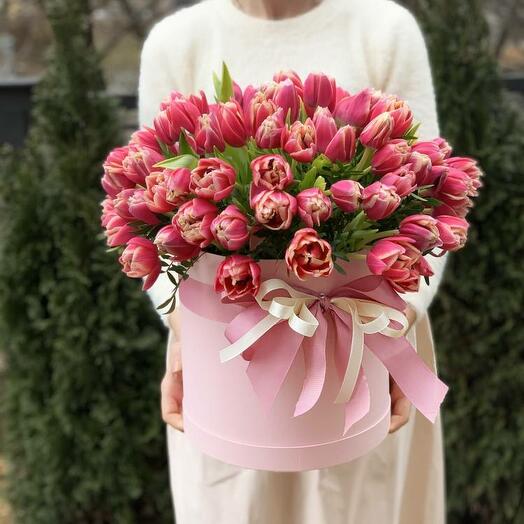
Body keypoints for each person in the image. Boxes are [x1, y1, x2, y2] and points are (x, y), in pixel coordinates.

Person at [138, 1, 449, 522]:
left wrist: (403, 322)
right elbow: (157, 209)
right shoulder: (178, 41)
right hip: (225, 356)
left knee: (356, 506)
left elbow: (430, 197)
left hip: (366, 345)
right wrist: (179, 333)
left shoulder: (382, 30)